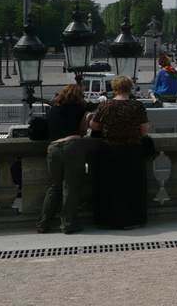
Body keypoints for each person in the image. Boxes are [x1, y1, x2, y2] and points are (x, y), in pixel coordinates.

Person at [88, 75, 149, 229]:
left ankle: (112, 220)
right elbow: (143, 131)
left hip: (111, 150)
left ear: (114, 88)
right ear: (130, 88)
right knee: (132, 185)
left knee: (112, 186)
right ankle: (133, 219)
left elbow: (95, 126)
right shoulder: (138, 106)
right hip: (133, 150)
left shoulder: (105, 105)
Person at [36, 83, 90, 234]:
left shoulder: (53, 110)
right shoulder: (80, 109)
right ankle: (67, 223)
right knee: (70, 187)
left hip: (53, 148)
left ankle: (43, 222)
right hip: (72, 146)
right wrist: (87, 119)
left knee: (54, 186)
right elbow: (82, 132)